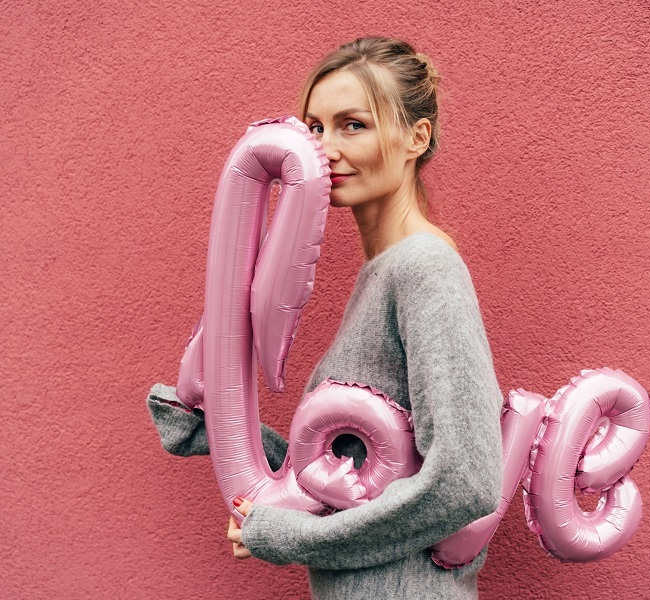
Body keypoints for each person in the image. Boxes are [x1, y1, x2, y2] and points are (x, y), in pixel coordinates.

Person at [147, 37, 503, 599]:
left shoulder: (424, 268)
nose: (325, 149)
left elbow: (466, 480)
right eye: (315, 128)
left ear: (417, 137)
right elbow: (358, 468)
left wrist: (293, 537)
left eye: (353, 125)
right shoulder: (383, 272)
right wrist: (214, 430)